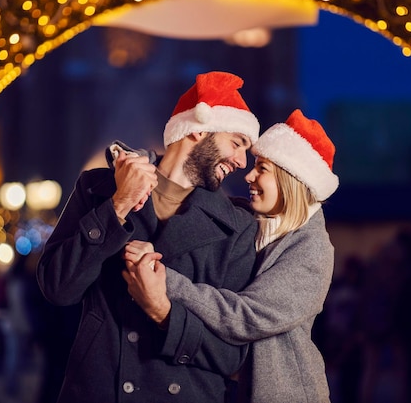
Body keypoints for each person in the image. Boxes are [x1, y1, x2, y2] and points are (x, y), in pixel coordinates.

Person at [36, 71, 261, 403]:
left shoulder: (238, 228)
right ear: (199, 128)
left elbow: (233, 356)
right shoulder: (99, 189)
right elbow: (57, 288)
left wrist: (163, 311)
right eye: (236, 143)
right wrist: (118, 206)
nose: (242, 162)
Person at [123, 109, 339, 403]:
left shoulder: (311, 249)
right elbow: (187, 196)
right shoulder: (248, 221)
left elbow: (247, 316)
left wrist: (164, 280)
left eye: (262, 168)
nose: (248, 174)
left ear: (292, 180)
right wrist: (143, 169)